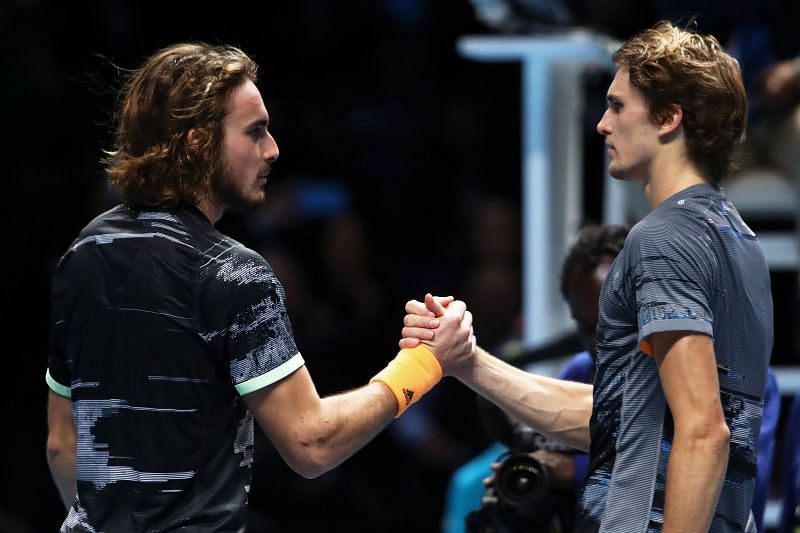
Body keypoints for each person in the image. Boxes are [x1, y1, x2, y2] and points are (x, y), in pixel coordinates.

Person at [44, 42, 474, 532]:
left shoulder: (83, 253)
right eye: (254, 132)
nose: (272, 149)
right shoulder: (233, 272)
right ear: (195, 144)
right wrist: (423, 363)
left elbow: (63, 443)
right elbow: (312, 443)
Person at [403, 21, 773, 532]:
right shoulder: (736, 237)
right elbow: (628, 419)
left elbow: (705, 431)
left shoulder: (663, 239)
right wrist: (467, 362)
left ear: (668, 117)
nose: (602, 123)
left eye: (618, 105)